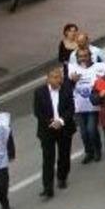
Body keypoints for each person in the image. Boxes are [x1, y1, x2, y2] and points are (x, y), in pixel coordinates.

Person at [34, 66, 76, 199]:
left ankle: (62, 178)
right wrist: (50, 122)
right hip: (47, 130)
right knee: (48, 159)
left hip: (64, 128)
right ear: (48, 79)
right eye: (55, 77)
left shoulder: (66, 89)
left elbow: (71, 108)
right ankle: (47, 187)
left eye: (60, 77)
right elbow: (37, 111)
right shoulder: (39, 92)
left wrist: (61, 121)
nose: (59, 80)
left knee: (64, 155)